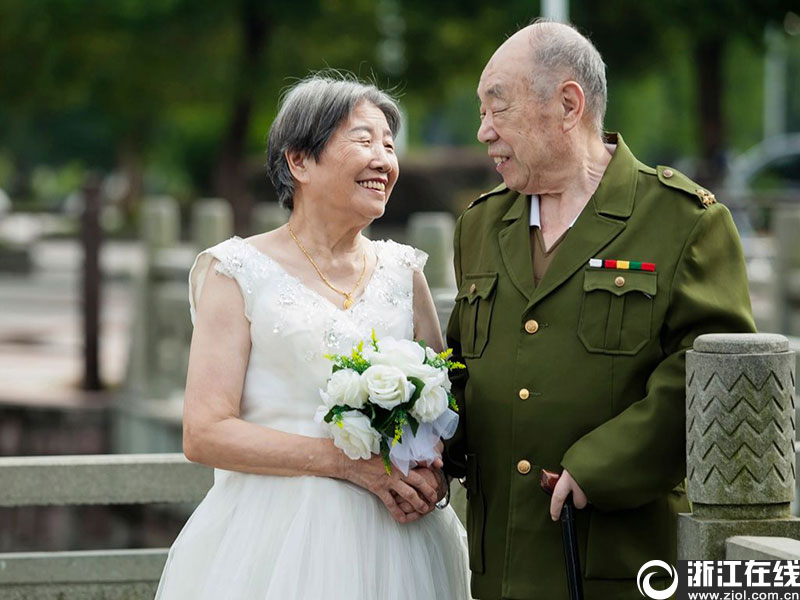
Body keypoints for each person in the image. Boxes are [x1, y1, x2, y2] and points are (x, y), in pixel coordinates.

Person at [442, 20, 756, 600]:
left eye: (498, 109)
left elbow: (711, 373)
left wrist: (601, 464)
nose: (483, 131)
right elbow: (461, 364)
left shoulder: (682, 220)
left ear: (568, 104)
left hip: (617, 557)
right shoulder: (481, 225)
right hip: (499, 560)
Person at [155, 74, 471, 599]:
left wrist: (433, 472)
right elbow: (204, 431)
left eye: (389, 146)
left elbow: (443, 406)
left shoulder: (403, 271)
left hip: (400, 544)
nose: (383, 161)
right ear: (299, 161)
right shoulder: (236, 271)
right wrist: (349, 465)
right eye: (363, 140)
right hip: (272, 541)